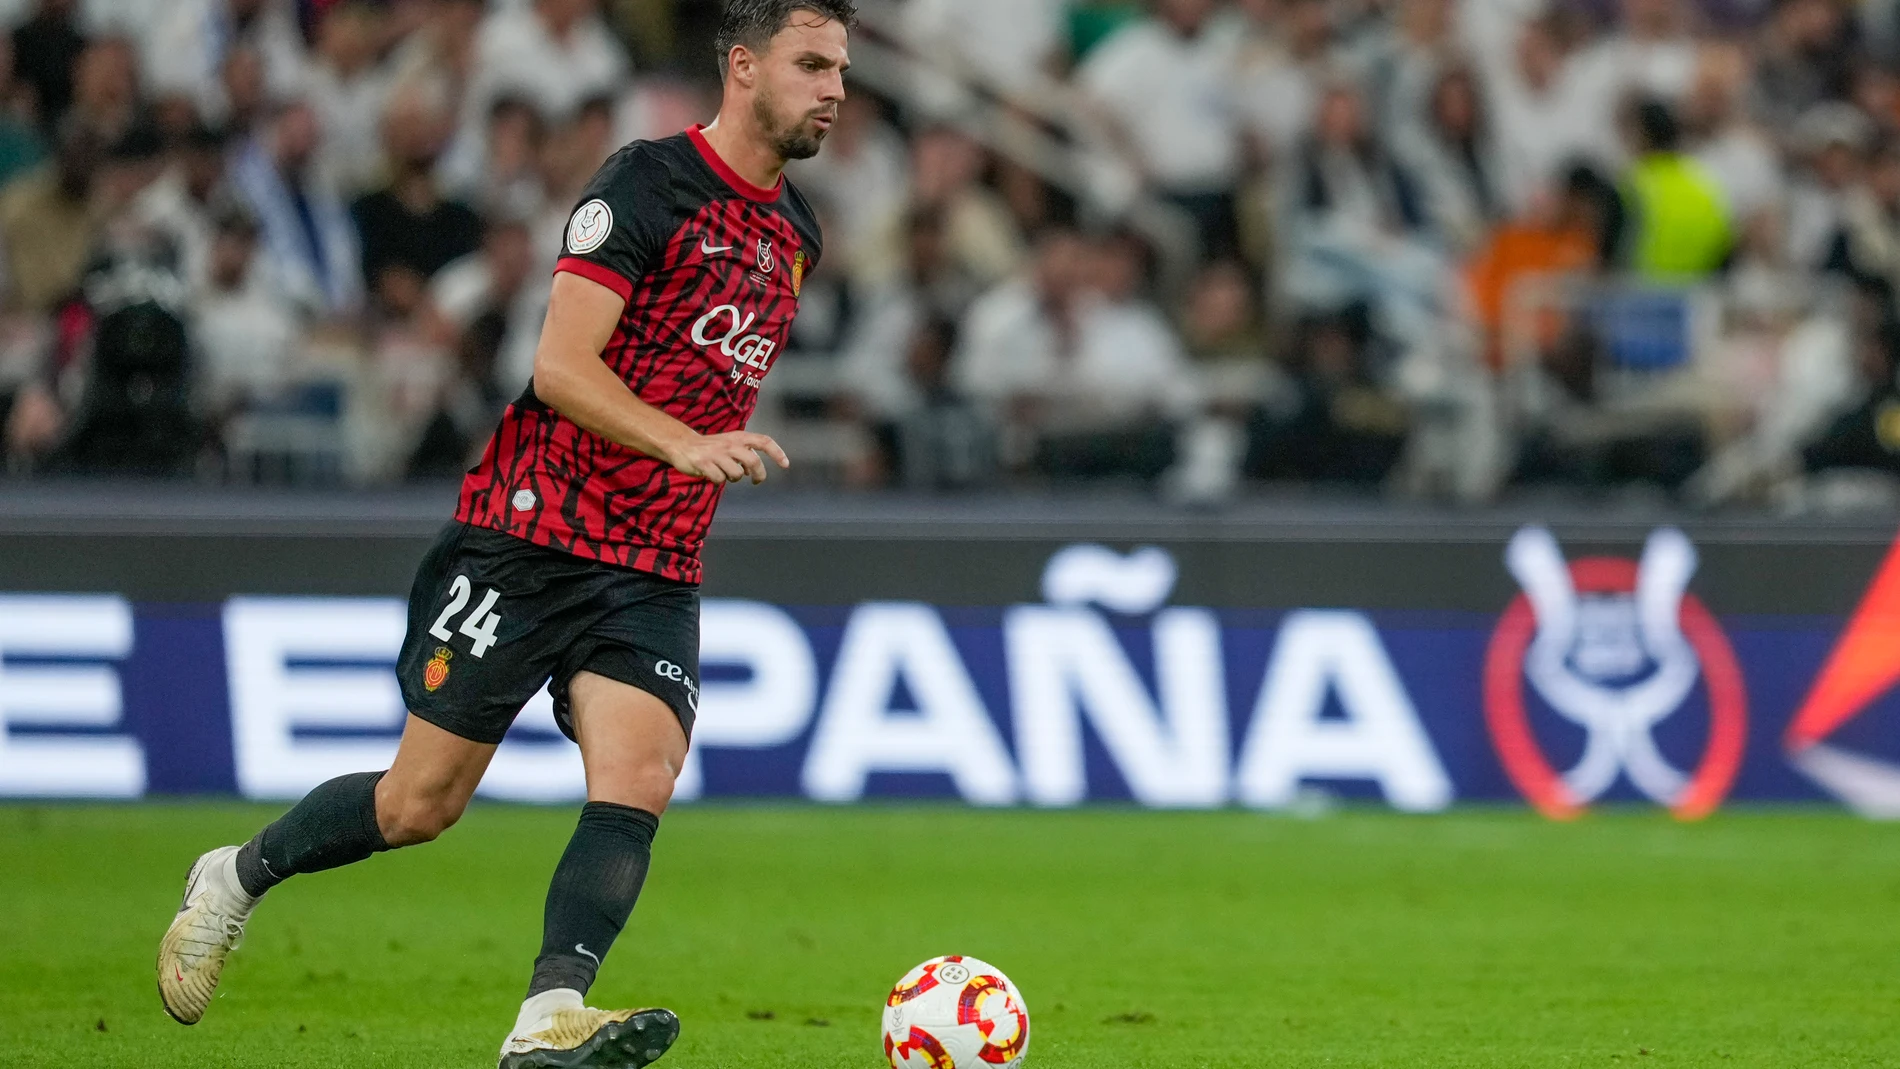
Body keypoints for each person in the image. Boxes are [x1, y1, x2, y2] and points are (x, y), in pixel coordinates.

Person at [153, 4, 853, 1069]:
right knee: (419, 803)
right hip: (533, 531)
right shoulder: (645, 183)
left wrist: (686, 463)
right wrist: (680, 442)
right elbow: (560, 370)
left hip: (654, 557)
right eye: (811, 65)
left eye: (840, 69)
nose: (833, 90)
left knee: (641, 772)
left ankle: (547, 1016)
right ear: (744, 66)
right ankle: (235, 875)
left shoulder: (794, 234)